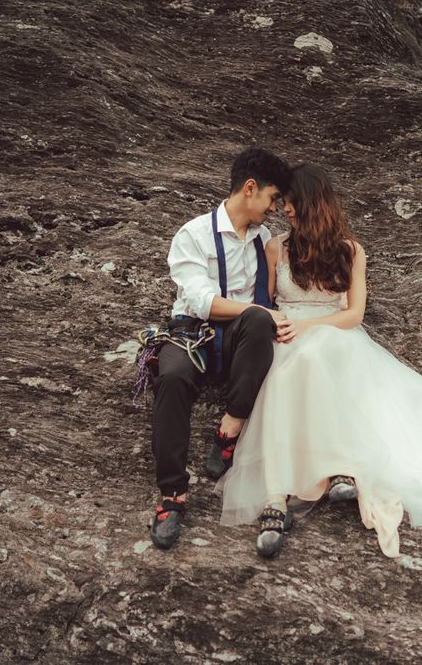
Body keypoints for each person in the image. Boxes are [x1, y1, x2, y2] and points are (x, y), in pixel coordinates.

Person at [218, 163, 422, 558]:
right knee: (282, 374)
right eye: (281, 202)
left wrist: (312, 328)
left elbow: (353, 314)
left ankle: (338, 468)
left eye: (290, 202)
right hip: (288, 333)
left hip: (333, 333)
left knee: (317, 357)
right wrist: (280, 324)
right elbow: (265, 303)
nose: (285, 209)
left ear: (310, 202)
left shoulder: (351, 251)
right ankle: (276, 498)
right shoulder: (275, 247)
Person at [149, 147, 292, 549]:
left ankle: (229, 428)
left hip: (242, 337)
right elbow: (202, 302)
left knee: (261, 320)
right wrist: (259, 310)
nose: (275, 208)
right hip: (193, 331)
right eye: (272, 198)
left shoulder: (265, 239)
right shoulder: (193, 234)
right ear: (250, 189)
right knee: (173, 376)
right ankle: (172, 496)